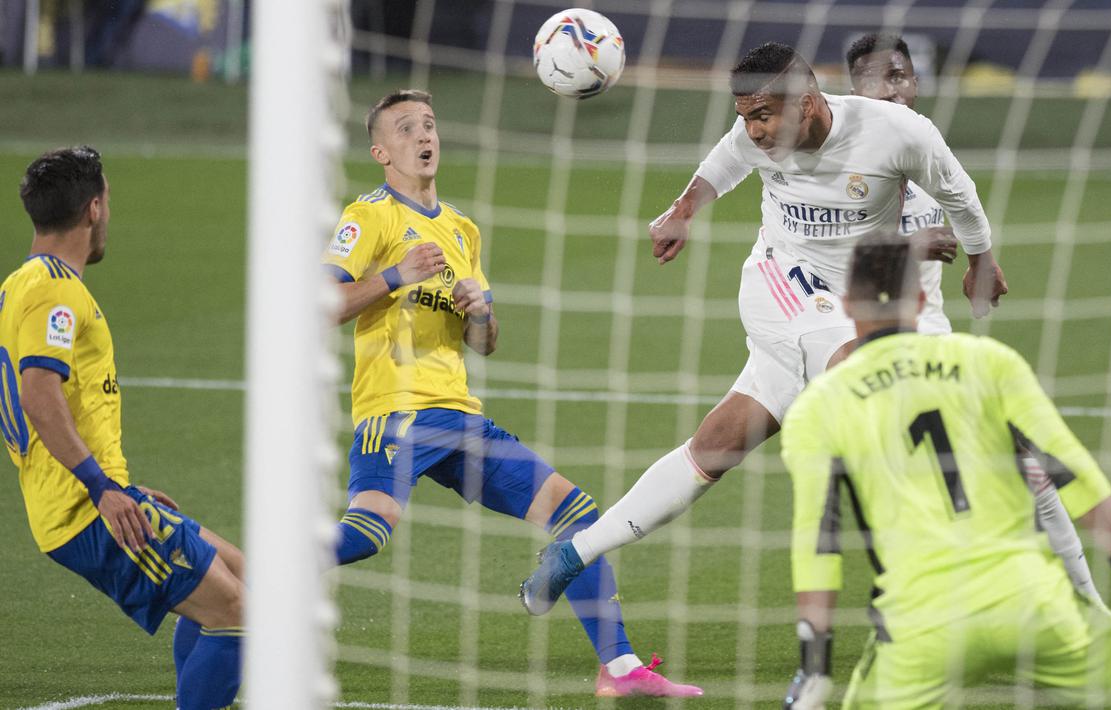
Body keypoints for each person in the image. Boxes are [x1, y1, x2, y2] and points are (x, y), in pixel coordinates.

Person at [522, 41, 1008, 613]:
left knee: (713, 450)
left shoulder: (897, 133)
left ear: (808, 103)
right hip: (782, 285)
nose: (753, 131)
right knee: (870, 381)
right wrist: (684, 210)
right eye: (745, 117)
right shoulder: (760, 135)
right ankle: (920, 576)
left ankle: (574, 553)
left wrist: (981, 261)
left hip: (850, 300)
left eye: (762, 116)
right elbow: (725, 161)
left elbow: (960, 195)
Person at [320, 90, 701, 698]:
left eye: (429, 123)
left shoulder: (461, 230)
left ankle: (620, 668)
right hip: (396, 413)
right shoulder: (368, 216)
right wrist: (394, 276)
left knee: (578, 515)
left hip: (459, 415)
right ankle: (253, 577)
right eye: (406, 128)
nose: (424, 135)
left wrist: (479, 313)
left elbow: (486, 343)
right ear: (380, 152)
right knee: (367, 534)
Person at [845, 32, 1111, 654]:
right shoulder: (839, 163)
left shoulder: (927, 155)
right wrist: (908, 248)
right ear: (852, 88)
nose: (893, 89)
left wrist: (981, 264)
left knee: (1029, 473)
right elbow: (828, 264)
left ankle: (1085, 616)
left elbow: (968, 219)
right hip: (866, 357)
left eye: (901, 76)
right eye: (877, 78)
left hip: (935, 349)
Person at [778, 232, 1111, 709]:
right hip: (1029, 598)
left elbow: (818, 542)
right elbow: (1072, 472)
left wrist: (815, 664)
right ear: (921, 298)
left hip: (919, 620)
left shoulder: (819, 406)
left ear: (847, 304)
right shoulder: (988, 361)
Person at [3, 147, 244, 710]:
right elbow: (38, 394)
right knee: (238, 614)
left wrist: (116, 482)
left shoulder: (20, 284)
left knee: (239, 580)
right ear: (93, 208)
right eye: (107, 200)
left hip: (91, 497)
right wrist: (101, 487)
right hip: (83, 510)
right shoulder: (56, 292)